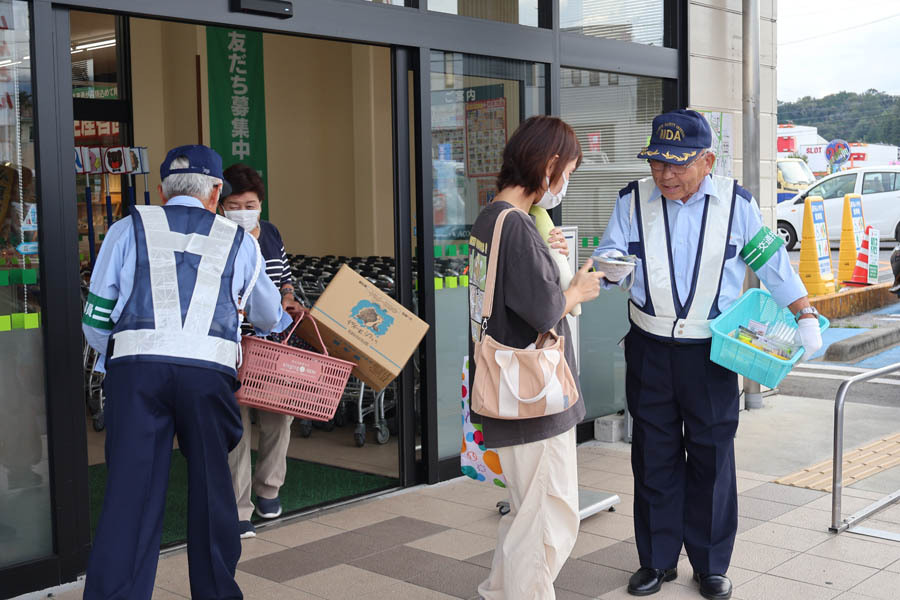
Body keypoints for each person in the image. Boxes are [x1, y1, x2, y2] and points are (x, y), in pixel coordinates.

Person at [594, 110, 823, 600]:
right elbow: (610, 253)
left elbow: (771, 262)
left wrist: (803, 313)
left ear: (707, 161)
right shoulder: (631, 200)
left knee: (712, 457)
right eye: (657, 162)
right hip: (649, 348)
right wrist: (610, 268)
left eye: (677, 164)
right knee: (653, 455)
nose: (665, 174)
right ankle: (656, 561)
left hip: (714, 352)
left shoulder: (737, 204)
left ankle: (711, 563)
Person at [81, 145, 292, 600]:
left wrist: (116, 359)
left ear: (162, 190)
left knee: (129, 495)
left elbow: (95, 319)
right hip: (208, 373)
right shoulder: (240, 241)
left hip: (136, 371)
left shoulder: (126, 228)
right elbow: (271, 314)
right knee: (214, 489)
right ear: (216, 192)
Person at [468, 115, 605, 600]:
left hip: (506, 390)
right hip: (533, 396)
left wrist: (554, 264)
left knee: (528, 512)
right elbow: (546, 309)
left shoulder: (491, 218)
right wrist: (578, 289)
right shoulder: (519, 227)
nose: (565, 181)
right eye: (567, 169)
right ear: (548, 166)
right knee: (549, 517)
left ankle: (498, 592)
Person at [221, 163, 302, 539]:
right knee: (235, 428)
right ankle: (238, 507)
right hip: (232, 347)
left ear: (260, 204)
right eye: (233, 204)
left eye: (249, 203)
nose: (242, 210)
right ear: (221, 205)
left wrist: (287, 296)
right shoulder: (217, 237)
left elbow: (285, 276)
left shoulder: (269, 233)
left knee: (278, 418)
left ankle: (269, 489)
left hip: (272, 347)